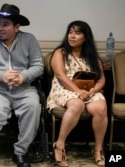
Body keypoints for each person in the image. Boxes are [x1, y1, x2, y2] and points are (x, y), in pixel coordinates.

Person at [0, 4, 44, 167]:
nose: (0, 28)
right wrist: (0, 75)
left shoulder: (29, 40)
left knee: (33, 106)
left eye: (5, 25)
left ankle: (20, 152)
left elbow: (39, 66)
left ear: (17, 27)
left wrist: (23, 76)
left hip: (24, 88)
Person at [47, 20, 108, 167]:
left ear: (85, 37)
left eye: (78, 33)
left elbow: (101, 79)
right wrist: (78, 91)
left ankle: (98, 149)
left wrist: (94, 89)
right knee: (77, 104)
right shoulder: (60, 52)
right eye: (70, 32)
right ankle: (59, 145)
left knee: (100, 108)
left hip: (89, 90)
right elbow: (60, 75)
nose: (72, 36)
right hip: (64, 89)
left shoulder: (92, 56)